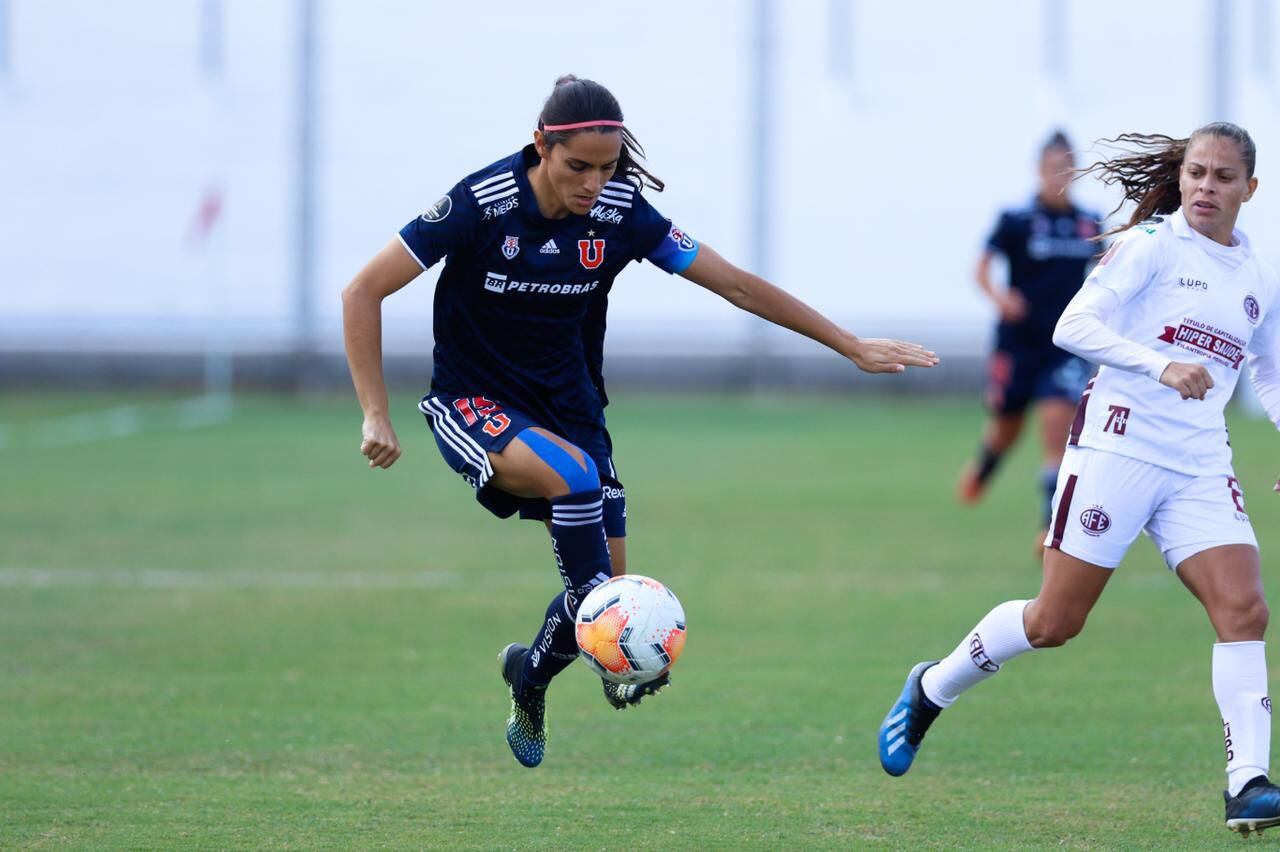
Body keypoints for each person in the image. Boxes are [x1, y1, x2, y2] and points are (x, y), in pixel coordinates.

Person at [342, 75, 939, 769]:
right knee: (578, 490)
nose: (593, 183)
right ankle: (607, 655)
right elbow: (364, 289)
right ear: (541, 145)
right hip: (475, 400)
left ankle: (528, 677)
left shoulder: (623, 210)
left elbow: (736, 284)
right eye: (577, 168)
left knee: (605, 598)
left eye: (607, 167)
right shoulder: (482, 202)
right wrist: (375, 413)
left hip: (571, 407)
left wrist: (850, 345)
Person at [877, 121, 1280, 835]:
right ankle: (933, 685)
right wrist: (1160, 365)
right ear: (1181, 178)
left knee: (1245, 609)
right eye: (1196, 173)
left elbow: (1270, 374)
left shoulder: (1256, 274)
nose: (1206, 187)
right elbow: (1074, 325)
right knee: (1054, 622)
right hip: (1116, 448)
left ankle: (1246, 784)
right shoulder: (1150, 246)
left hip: (1198, 462)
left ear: (1251, 188)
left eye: (1223, 177)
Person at [958, 131, 1101, 549]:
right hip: (1018, 343)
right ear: (1039, 170)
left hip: (1065, 345)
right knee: (1008, 426)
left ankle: (1047, 527)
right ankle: (985, 467)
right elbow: (982, 268)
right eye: (1052, 166)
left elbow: (1105, 276)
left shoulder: (1088, 222)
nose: (1059, 175)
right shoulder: (1016, 220)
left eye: (1066, 167)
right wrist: (999, 297)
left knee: (1057, 430)